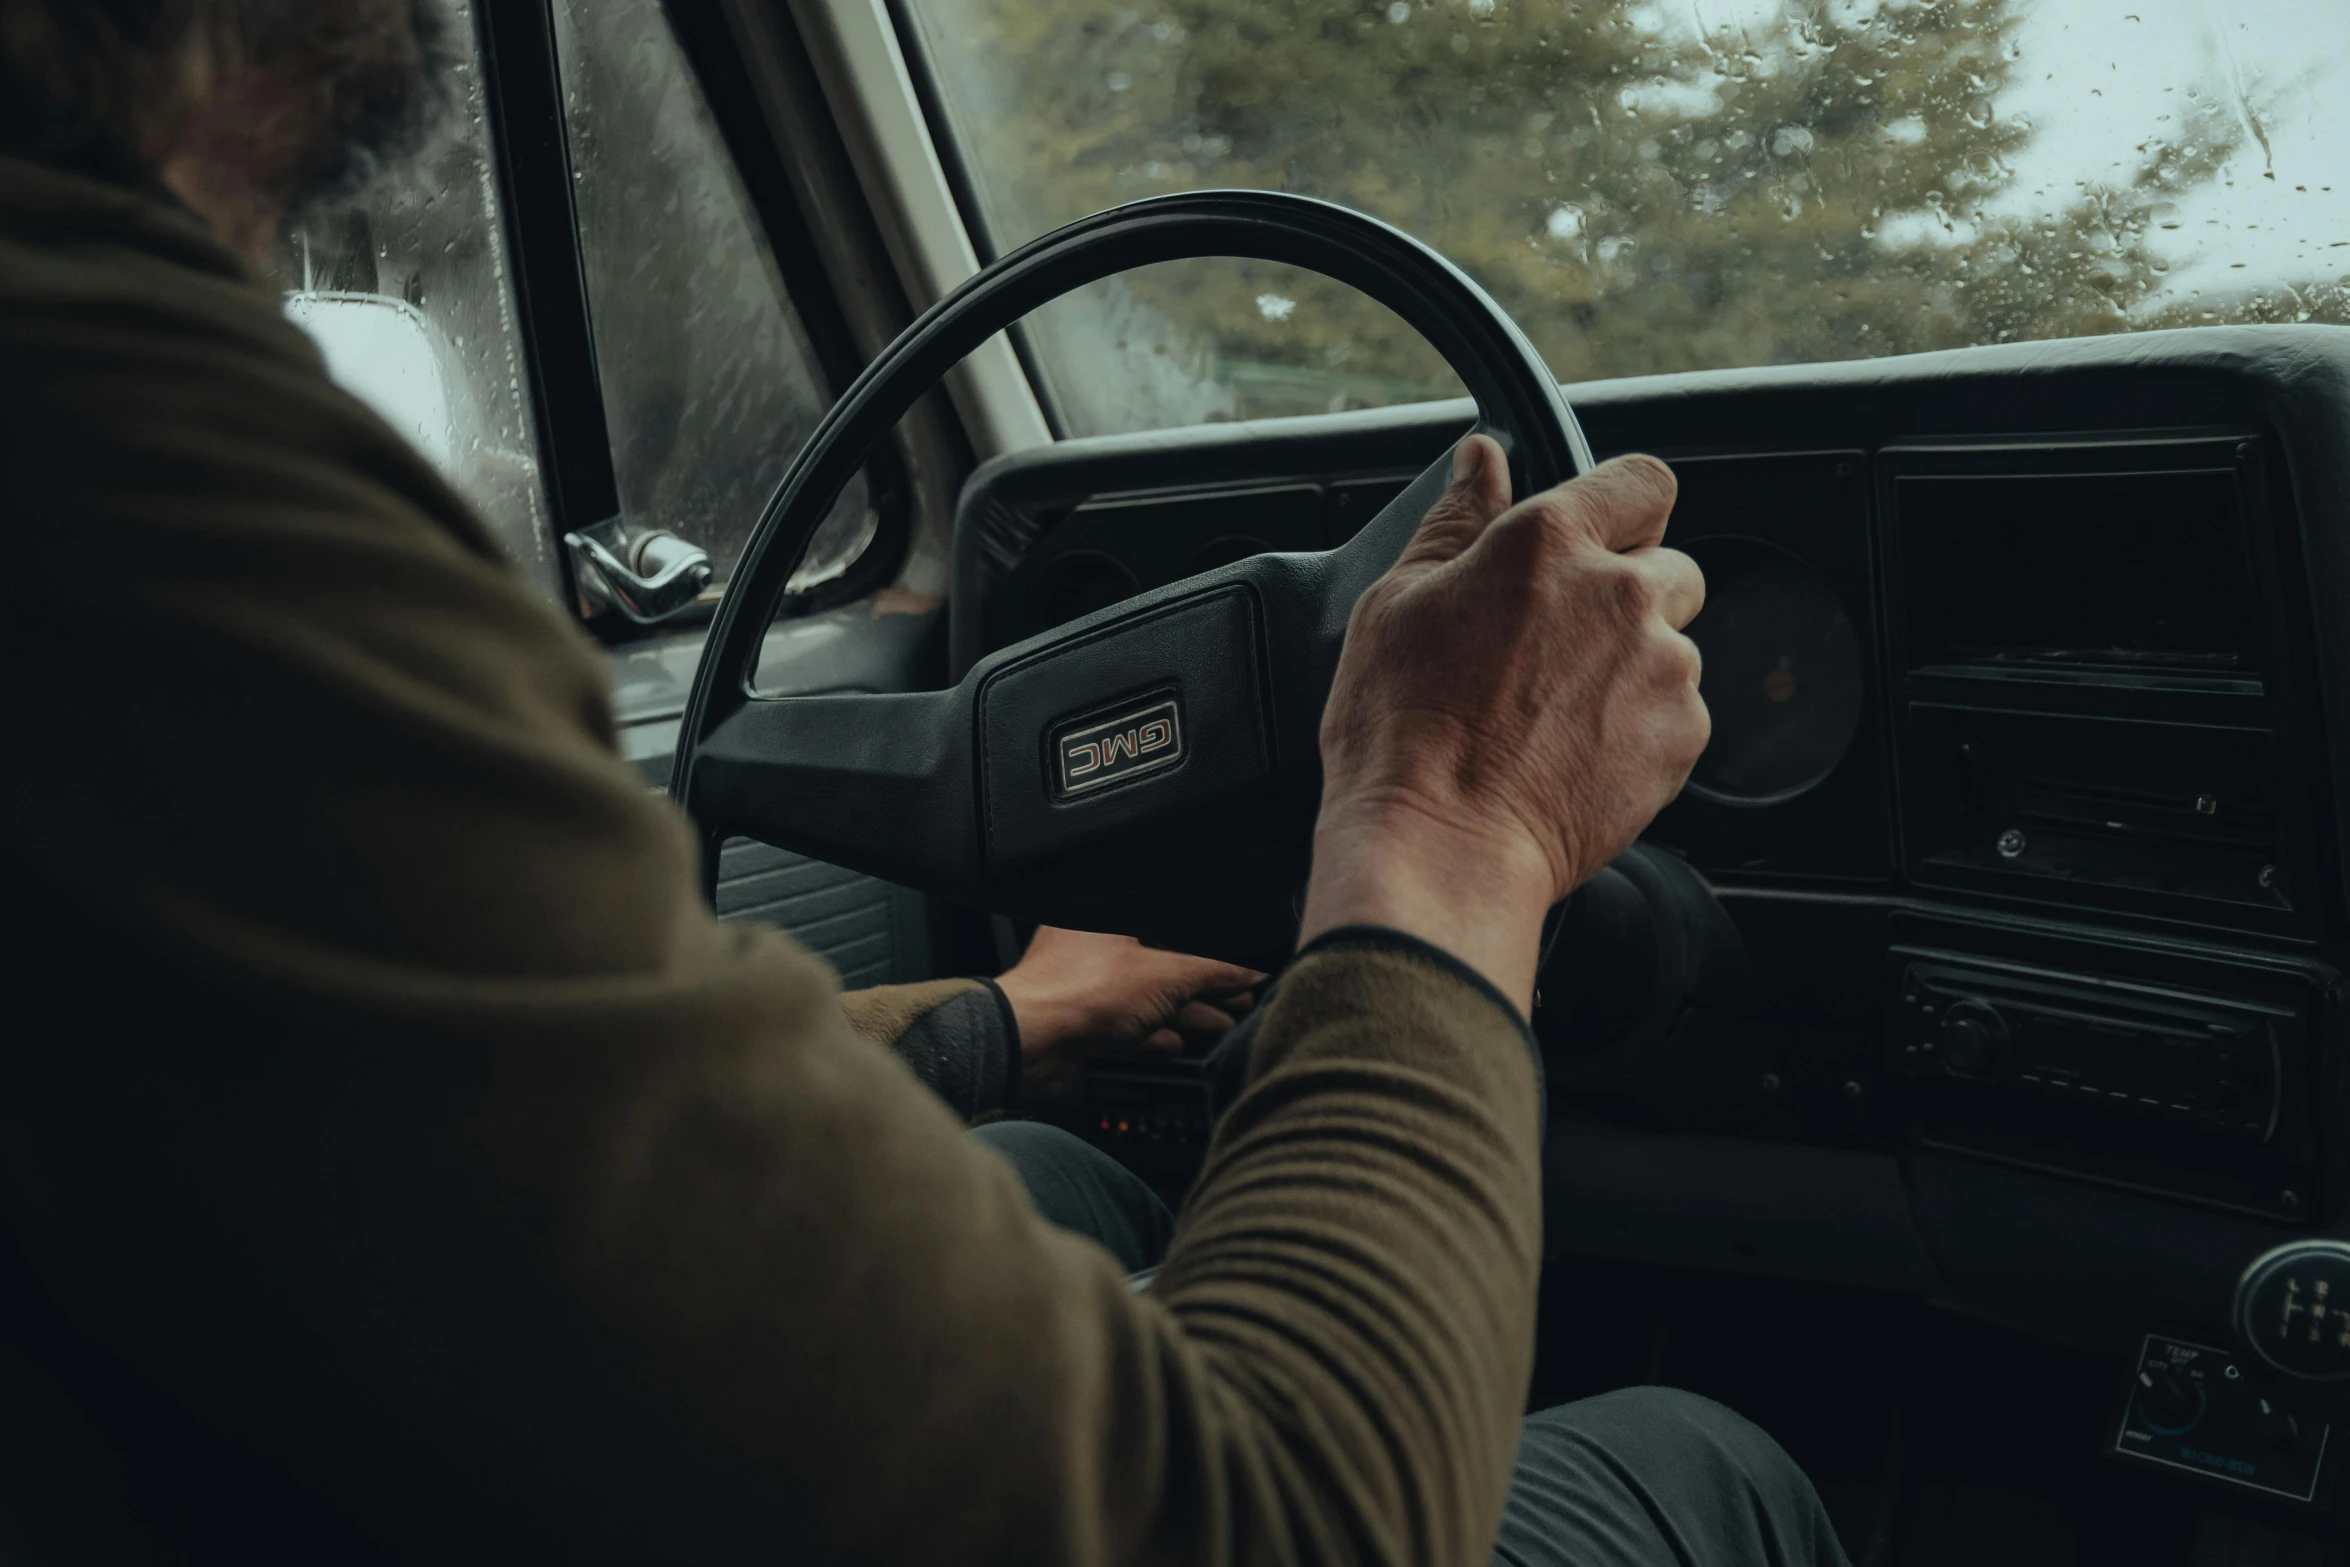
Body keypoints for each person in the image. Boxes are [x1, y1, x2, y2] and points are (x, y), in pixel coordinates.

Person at [0, 3, 1851, 1564]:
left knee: (1052, 1163)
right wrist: (1450, 822)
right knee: (1709, 1462)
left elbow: (426, 1098)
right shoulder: (138, 501)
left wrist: (991, 1018)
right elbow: (1292, 1516)